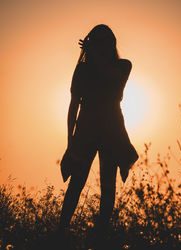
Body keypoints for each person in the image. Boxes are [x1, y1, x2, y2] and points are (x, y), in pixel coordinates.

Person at [59, 24, 139, 232]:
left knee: (108, 186)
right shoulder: (83, 70)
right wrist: (70, 141)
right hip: (85, 131)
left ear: (112, 43)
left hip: (112, 132)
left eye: (106, 41)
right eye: (98, 41)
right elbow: (73, 105)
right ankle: (61, 231)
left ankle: (101, 235)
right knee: (76, 183)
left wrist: (92, 53)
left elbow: (110, 74)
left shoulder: (123, 66)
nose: (103, 45)